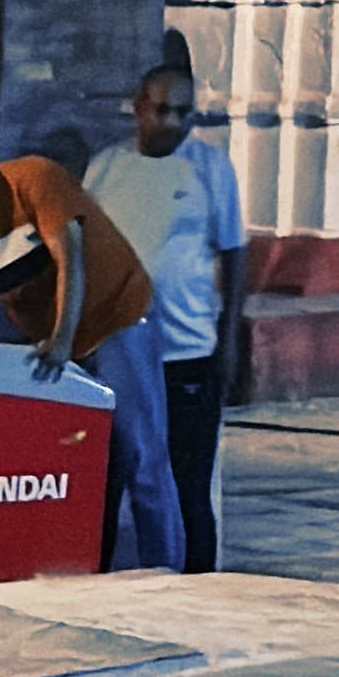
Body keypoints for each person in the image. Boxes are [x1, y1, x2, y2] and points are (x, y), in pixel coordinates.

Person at [84, 65, 244, 573]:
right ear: (138, 107)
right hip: (117, 350)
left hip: (187, 350)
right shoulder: (107, 169)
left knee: (186, 480)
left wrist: (230, 340)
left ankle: (195, 585)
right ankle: (96, 580)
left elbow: (234, 255)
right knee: (107, 479)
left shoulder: (209, 168)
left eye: (184, 111)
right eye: (162, 109)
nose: (174, 122)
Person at [0, 147, 176, 569]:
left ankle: (171, 576)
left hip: (115, 317)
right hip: (40, 334)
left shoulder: (36, 178)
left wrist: (62, 341)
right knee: (82, 467)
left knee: (142, 458)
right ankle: (95, 574)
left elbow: (70, 258)